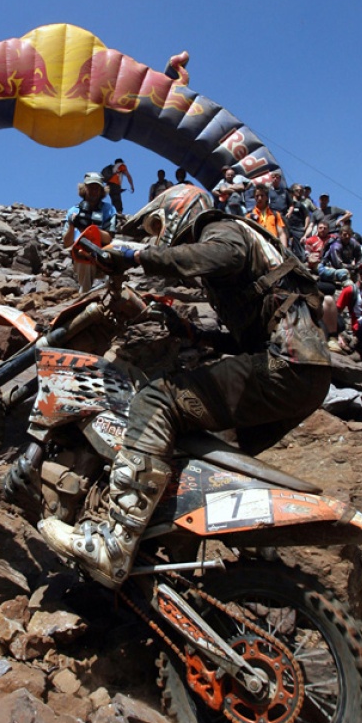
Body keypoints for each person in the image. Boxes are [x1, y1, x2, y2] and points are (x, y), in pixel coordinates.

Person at [41, 184, 331, 589]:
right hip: (305, 375)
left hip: (287, 366)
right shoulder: (248, 258)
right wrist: (196, 333)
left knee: (157, 399)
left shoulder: (221, 227)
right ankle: (195, 568)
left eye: (158, 225)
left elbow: (222, 254)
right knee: (207, 461)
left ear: (178, 209)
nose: (158, 236)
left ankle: (116, 542)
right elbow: (250, 340)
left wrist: (136, 254)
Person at [62, 171, 117, 293]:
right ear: (84, 188)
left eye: (97, 187)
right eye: (91, 187)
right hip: (81, 253)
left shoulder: (108, 209)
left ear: (101, 190)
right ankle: (85, 294)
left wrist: (91, 228)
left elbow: (108, 238)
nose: (94, 190)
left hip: (102, 252)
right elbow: (66, 243)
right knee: (84, 253)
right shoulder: (74, 211)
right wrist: (72, 224)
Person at [247, 183, 288, 247]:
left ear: (266, 197)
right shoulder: (249, 216)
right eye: (257, 196)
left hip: (273, 247)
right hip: (258, 248)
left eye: (262, 195)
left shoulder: (275, 215)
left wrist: (284, 250)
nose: (259, 198)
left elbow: (281, 233)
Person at [284, 183, 312, 259]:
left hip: (298, 228)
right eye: (297, 190)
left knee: (300, 246)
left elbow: (307, 215)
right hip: (288, 227)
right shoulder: (286, 204)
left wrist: (305, 227)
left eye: (301, 191)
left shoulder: (300, 204)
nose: (299, 192)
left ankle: (302, 260)